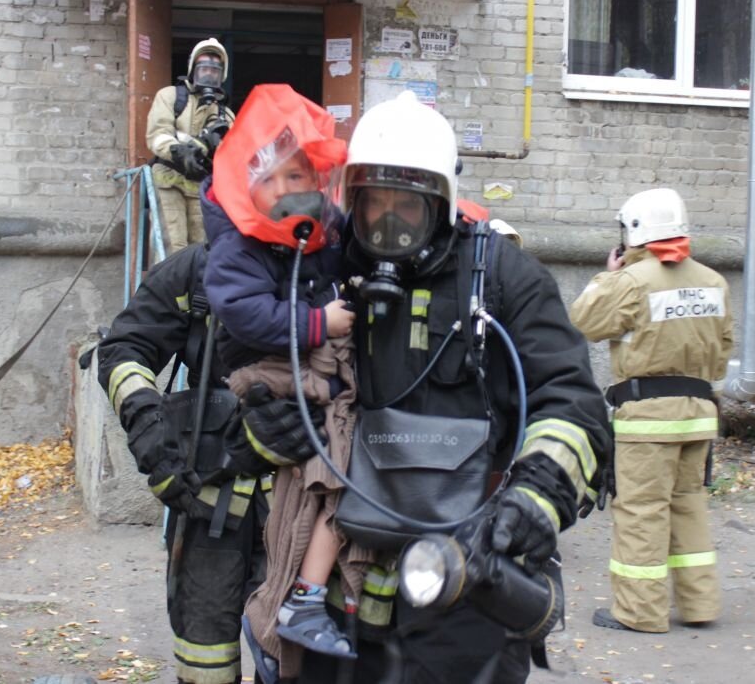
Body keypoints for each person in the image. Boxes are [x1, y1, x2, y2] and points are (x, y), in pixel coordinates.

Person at [222, 90, 614, 683]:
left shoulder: (503, 280)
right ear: (349, 196)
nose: (387, 221)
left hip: (467, 572)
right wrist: (267, 428)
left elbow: (573, 404)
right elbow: (273, 382)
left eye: (407, 204)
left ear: (443, 202)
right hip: (341, 588)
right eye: (372, 200)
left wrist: (530, 502)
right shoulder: (325, 273)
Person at [199, 84, 363, 676]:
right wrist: (318, 323)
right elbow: (245, 312)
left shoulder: (317, 232)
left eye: (304, 177)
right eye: (282, 179)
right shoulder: (237, 247)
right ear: (251, 185)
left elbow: (357, 243)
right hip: (266, 373)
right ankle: (298, 602)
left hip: (305, 365)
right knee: (338, 461)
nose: (298, 189)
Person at [96, 241, 273, 684]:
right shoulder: (196, 271)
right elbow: (124, 349)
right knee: (204, 650)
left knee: (298, 646)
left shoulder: (331, 265)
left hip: (304, 497)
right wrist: (149, 428)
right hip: (208, 490)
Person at [569, 188, 733, 634]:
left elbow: (583, 320)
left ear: (635, 231)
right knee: (688, 505)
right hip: (699, 412)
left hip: (647, 417)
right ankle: (700, 604)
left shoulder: (631, 281)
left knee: (642, 511)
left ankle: (639, 612)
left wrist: (608, 276)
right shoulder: (714, 281)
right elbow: (722, 353)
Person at [146, 37, 236, 254]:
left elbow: (234, 154)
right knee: (172, 246)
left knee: (201, 249)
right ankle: (168, 289)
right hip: (169, 179)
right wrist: (179, 150)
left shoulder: (225, 114)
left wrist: (218, 145)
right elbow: (157, 134)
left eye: (214, 70)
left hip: (202, 186)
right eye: (203, 67)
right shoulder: (170, 97)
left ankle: (193, 289)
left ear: (221, 75)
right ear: (192, 68)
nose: (208, 74)